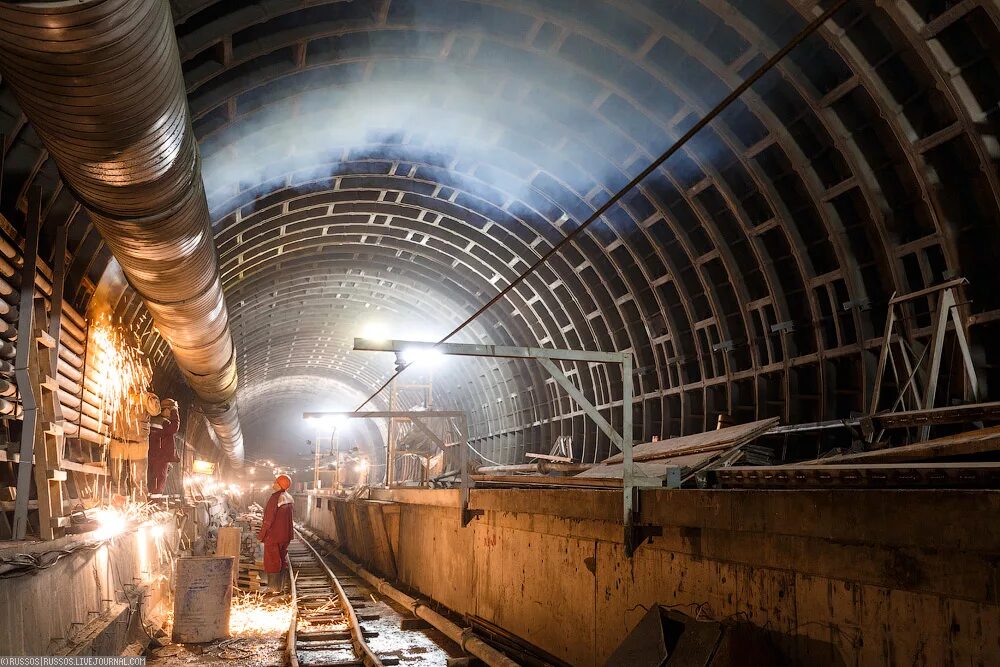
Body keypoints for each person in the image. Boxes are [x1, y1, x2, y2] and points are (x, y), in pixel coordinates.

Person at [259, 474, 294, 594]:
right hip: (285, 535)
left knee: (272, 560)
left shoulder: (275, 498)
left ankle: (273, 588)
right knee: (281, 559)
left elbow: (268, 519)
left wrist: (262, 535)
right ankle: (280, 586)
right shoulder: (288, 497)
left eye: (275, 482)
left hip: (273, 536)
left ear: (279, 485)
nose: (273, 484)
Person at [147, 399, 180, 495]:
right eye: (171, 411)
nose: (171, 414)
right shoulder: (164, 422)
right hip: (161, 456)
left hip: (151, 454)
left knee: (150, 479)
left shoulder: (152, 420)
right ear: (165, 409)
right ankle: (155, 500)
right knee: (159, 479)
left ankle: (149, 498)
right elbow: (174, 427)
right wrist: (175, 413)